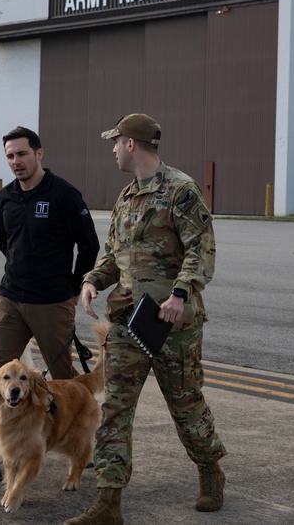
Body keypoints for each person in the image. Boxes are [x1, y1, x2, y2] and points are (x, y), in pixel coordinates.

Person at [64, 113, 227, 525]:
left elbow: (202, 251)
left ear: (131, 143)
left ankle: (210, 471)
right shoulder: (126, 196)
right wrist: (92, 281)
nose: (113, 149)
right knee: (115, 409)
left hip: (174, 326)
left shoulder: (181, 190)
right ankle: (108, 502)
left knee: (186, 406)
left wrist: (179, 292)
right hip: (127, 321)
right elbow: (112, 255)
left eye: (115, 142)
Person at [0, 126, 100, 483]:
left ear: (39, 153)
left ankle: (74, 447)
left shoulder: (64, 194)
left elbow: (90, 245)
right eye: (10, 156)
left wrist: (70, 285)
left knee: (66, 383)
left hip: (52, 302)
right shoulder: (5, 198)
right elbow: (6, 244)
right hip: (10, 300)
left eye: (22, 154)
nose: (16, 162)